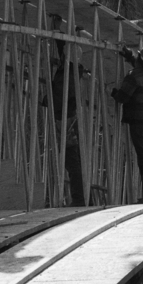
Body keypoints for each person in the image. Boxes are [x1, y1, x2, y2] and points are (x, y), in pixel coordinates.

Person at [111, 45, 143, 203]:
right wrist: (130, 56)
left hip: (137, 122)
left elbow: (122, 97)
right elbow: (140, 69)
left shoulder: (133, 76)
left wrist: (113, 93)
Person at [48, 36, 86, 207]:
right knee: (72, 160)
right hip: (67, 118)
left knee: (71, 160)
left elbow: (60, 96)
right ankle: (81, 197)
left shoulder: (68, 74)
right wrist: (59, 36)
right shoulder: (72, 69)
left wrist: (46, 100)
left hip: (65, 120)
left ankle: (79, 199)